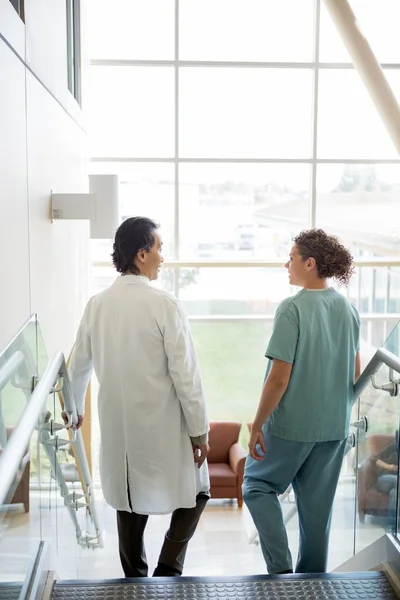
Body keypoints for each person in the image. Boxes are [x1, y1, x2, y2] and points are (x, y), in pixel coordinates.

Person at [68, 216, 210, 578]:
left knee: (128, 501)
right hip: (164, 426)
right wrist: (199, 430)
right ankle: (167, 567)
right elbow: (186, 375)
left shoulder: (97, 304)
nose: (163, 256)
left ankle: (135, 578)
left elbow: (78, 364)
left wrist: (72, 407)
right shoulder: (164, 304)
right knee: (199, 490)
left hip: (119, 428)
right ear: (142, 253)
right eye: (159, 249)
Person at [243, 229, 361, 575]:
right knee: (316, 515)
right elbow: (353, 372)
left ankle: (280, 573)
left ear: (310, 263)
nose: (287, 264)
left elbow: (279, 378)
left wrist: (258, 425)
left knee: (257, 486)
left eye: (292, 258)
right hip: (333, 427)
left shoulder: (291, 309)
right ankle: (310, 586)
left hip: (291, 426)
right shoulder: (347, 308)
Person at [374, 430, 399, 530]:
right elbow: (376, 460)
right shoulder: (392, 448)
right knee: (397, 481)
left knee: (395, 493)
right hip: (384, 480)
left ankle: (392, 526)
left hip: (396, 485)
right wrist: (390, 466)